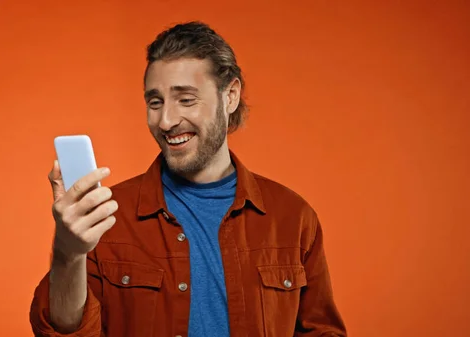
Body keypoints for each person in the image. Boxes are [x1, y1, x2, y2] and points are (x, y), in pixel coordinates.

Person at [29, 21, 347, 337]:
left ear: (231, 96)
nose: (166, 121)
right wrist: (69, 252)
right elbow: (65, 334)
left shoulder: (293, 216)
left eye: (186, 99)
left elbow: (321, 331)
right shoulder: (108, 217)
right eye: (155, 102)